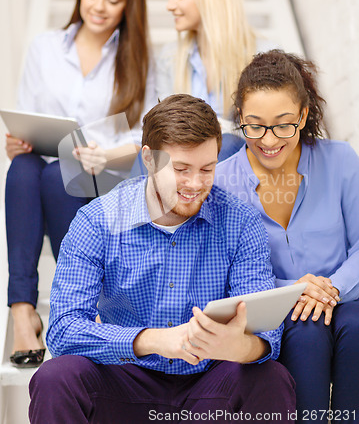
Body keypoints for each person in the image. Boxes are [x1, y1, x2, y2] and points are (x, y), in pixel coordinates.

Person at [28, 95, 295, 424]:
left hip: (208, 388)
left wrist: (235, 347)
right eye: (181, 169)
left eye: (207, 169)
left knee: (271, 379)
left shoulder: (241, 222)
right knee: (55, 378)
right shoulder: (96, 221)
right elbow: (63, 332)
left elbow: (267, 337)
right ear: (150, 160)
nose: (195, 184)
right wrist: (154, 340)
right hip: (125, 381)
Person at [6, 0, 156, 368]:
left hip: (106, 179)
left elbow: (149, 138)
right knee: (22, 168)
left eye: (114, 0)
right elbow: (29, 117)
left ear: (130, 4)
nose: (100, 7)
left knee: (58, 177)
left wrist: (105, 154)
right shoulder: (45, 47)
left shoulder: (141, 58)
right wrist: (15, 142)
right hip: (50, 169)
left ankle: (73, 300)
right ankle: (22, 309)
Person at [215, 49, 359, 423]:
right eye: (255, 125)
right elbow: (225, 272)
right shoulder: (221, 183)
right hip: (277, 309)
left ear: (304, 116)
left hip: (346, 298)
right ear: (240, 122)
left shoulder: (341, 160)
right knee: (307, 334)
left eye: (283, 124)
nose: (269, 139)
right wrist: (296, 289)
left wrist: (331, 288)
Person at [155, 0, 274, 162]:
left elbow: (270, 129)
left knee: (226, 143)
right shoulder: (169, 57)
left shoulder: (264, 56)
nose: (170, 5)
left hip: (239, 164)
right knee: (148, 154)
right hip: (182, 164)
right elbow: (160, 127)